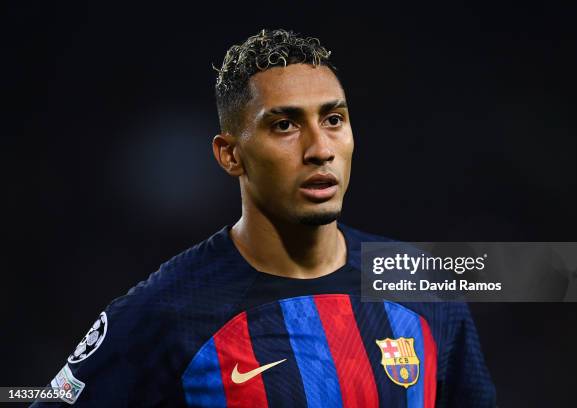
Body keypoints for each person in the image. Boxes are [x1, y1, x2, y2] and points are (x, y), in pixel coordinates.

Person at [34, 29, 495, 407]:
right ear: (230, 154)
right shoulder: (165, 311)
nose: (320, 149)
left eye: (333, 119)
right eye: (285, 125)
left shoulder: (422, 286)